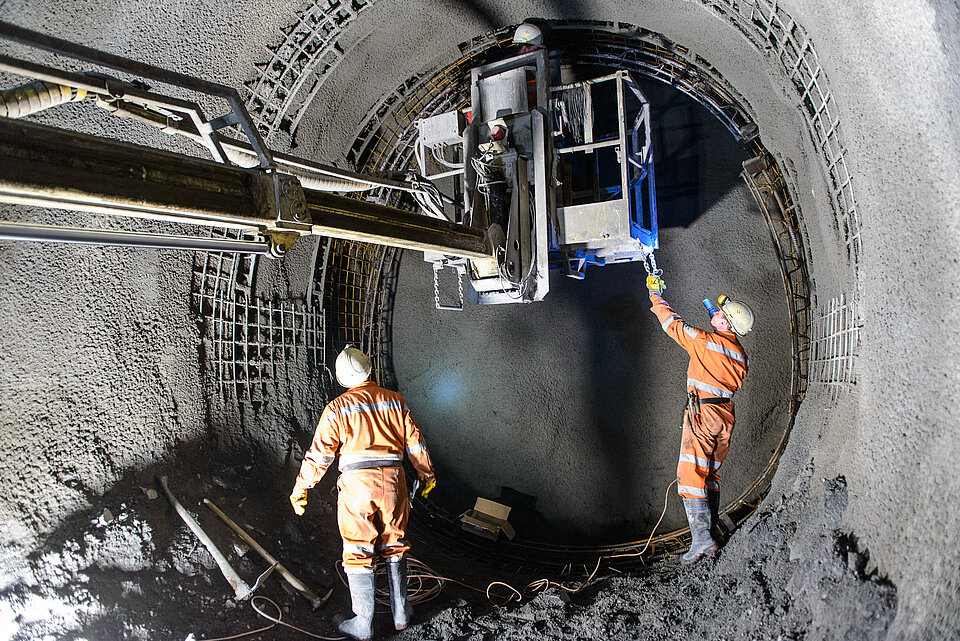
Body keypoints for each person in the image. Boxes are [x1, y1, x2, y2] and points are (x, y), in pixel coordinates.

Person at [289, 346, 437, 640]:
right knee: (395, 544)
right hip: (394, 484)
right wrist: (427, 474)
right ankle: (400, 614)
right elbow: (415, 443)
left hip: (357, 486)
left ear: (341, 377)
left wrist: (302, 488)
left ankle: (363, 622)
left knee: (357, 551)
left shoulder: (337, 408)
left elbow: (319, 456)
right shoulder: (395, 401)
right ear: (370, 369)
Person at [646, 274, 753, 563]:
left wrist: (656, 295)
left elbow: (673, 326)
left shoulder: (705, 342)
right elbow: (721, 338)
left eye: (721, 314)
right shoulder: (740, 354)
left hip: (702, 414)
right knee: (710, 474)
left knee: (691, 475)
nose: (715, 313)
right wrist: (718, 315)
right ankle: (714, 532)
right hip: (725, 417)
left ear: (725, 324)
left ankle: (704, 540)